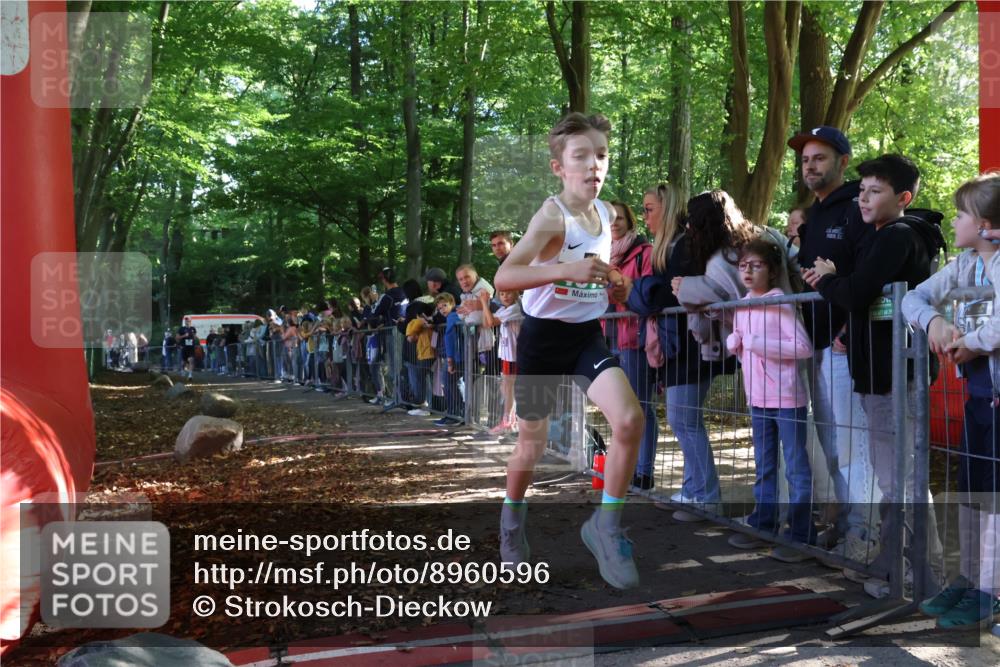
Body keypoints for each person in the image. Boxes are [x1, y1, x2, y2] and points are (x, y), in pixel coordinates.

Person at [494, 112, 643, 590]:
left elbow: (596, 277)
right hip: (543, 340)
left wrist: (615, 285)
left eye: (601, 155)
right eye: (581, 156)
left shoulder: (604, 215)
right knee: (532, 445)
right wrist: (563, 270)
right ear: (559, 167)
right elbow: (505, 278)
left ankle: (606, 526)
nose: (594, 165)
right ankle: (512, 525)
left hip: (586, 338)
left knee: (629, 421)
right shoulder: (551, 216)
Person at [804, 154, 945, 598]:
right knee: (893, 476)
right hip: (881, 370)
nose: (863, 198)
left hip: (891, 372)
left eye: (875, 191)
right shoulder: (885, 237)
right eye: (861, 189)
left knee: (900, 478)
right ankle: (895, 562)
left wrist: (826, 278)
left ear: (902, 198)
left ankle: (920, 574)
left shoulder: (897, 238)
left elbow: (855, 292)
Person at [903, 172, 1000, 629]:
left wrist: (974, 342)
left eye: (961, 214)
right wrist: (935, 324)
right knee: (971, 491)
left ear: (984, 224)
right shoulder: (964, 265)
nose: (955, 220)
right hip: (978, 398)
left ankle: (990, 589)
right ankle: (969, 577)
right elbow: (914, 298)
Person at [788, 125, 874, 555]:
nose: (809, 166)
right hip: (817, 346)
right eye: (805, 159)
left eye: (819, 158)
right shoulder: (814, 215)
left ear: (843, 161)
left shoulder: (861, 206)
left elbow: (874, 272)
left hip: (849, 347)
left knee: (854, 445)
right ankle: (846, 525)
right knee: (832, 446)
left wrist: (847, 329)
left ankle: (867, 534)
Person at [627, 184, 718, 519]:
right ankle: (695, 489)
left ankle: (706, 495)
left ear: (666, 208)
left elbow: (677, 295)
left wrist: (645, 292)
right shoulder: (671, 248)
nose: (645, 215)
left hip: (692, 346)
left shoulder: (683, 247)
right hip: (678, 345)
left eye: (649, 208)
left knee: (683, 419)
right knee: (682, 419)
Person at [726, 238, 816, 561]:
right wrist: (736, 345)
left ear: (772, 269)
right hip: (758, 398)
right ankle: (762, 523)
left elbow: (802, 348)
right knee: (764, 465)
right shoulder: (742, 304)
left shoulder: (779, 302)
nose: (748, 271)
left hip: (787, 397)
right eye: (743, 266)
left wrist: (753, 341)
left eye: (756, 265)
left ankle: (802, 534)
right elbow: (746, 354)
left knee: (795, 466)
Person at [606, 201, 657, 490]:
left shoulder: (643, 253)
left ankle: (644, 471)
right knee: (619, 408)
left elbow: (645, 291)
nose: (615, 223)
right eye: (610, 219)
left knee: (640, 405)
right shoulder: (601, 254)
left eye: (620, 218)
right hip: (609, 336)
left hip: (634, 337)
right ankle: (625, 468)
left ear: (630, 221)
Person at [482, 289, 524, 435]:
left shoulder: (514, 308)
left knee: (509, 387)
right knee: (506, 388)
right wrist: (485, 303)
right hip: (507, 354)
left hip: (514, 355)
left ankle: (509, 421)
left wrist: (482, 302)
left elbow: (491, 321)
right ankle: (510, 421)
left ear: (516, 294)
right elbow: (486, 322)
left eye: (509, 293)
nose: (505, 296)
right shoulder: (504, 309)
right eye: (502, 294)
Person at [435, 293, 463, 426]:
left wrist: (450, 359)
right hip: (458, 355)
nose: (443, 310)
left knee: (448, 383)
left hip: (455, 356)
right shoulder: (456, 314)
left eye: (445, 305)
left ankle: (454, 414)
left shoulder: (453, 316)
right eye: (440, 308)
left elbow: (450, 337)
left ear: (451, 303)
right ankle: (457, 413)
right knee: (451, 384)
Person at [404, 301, 436, 416]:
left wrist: (419, 322)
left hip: (428, 353)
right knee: (425, 380)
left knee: (422, 379)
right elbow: (411, 335)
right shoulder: (420, 322)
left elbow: (410, 335)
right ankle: (426, 405)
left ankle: (424, 406)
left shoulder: (424, 321)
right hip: (425, 353)